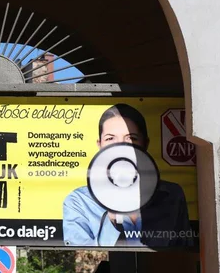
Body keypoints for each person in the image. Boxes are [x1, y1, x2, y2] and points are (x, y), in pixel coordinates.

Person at [62, 103, 193, 247]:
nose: (120, 147)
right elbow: (79, 254)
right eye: (110, 138)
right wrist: (112, 218)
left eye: (131, 138)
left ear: (145, 144)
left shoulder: (172, 194)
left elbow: (185, 250)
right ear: (100, 145)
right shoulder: (79, 201)